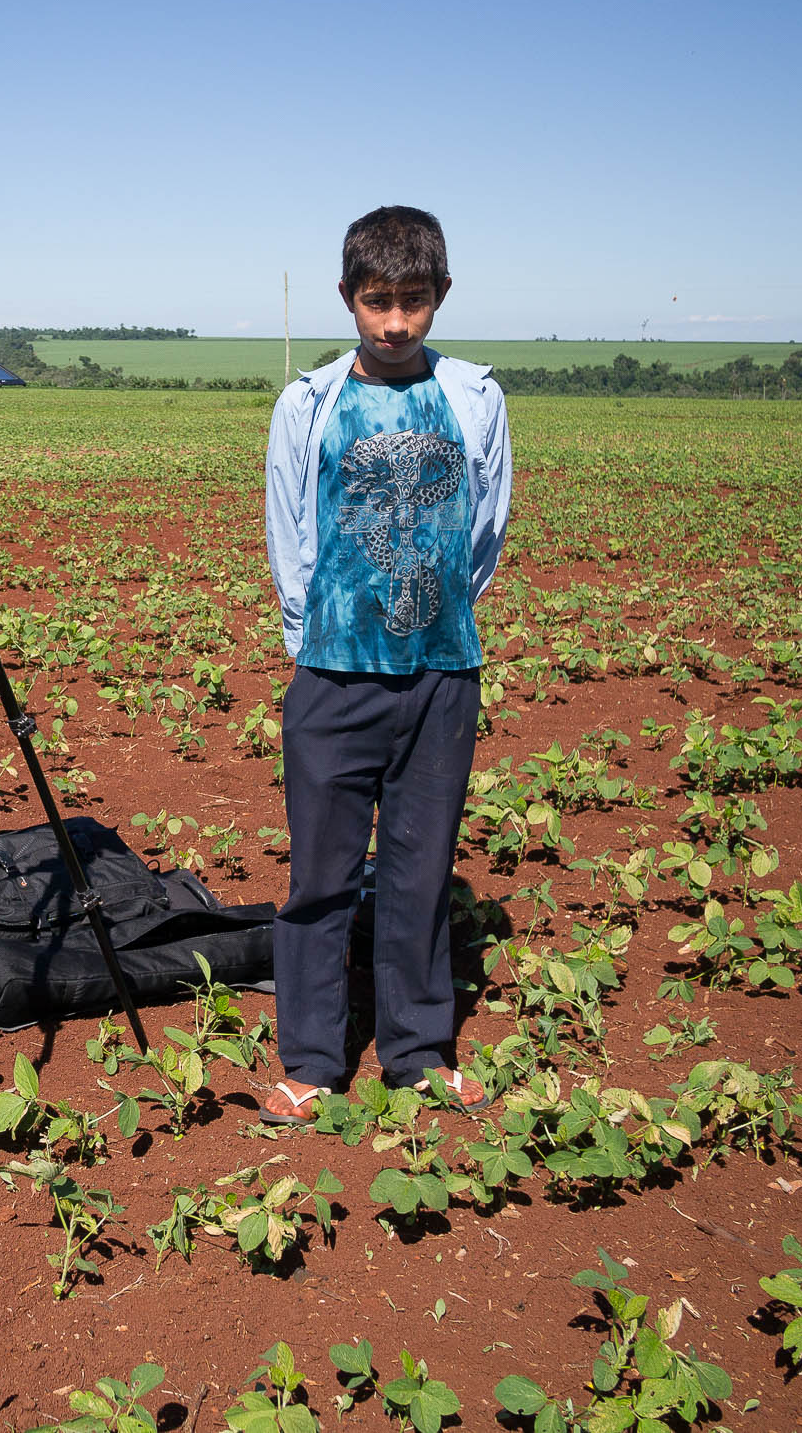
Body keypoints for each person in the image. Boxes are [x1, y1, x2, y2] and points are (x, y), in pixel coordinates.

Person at [259, 206, 512, 1124]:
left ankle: (418, 1051)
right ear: (348, 298)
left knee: (421, 871)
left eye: (413, 301)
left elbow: (483, 532)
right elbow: (290, 531)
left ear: (440, 295)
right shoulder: (308, 404)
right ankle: (312, 1060)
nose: (395, 322)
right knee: (321, 878)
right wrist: (316, 640)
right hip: (333, 675)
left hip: (443, 674)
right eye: (377, 301)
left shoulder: (476, 399)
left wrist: (433, 620)